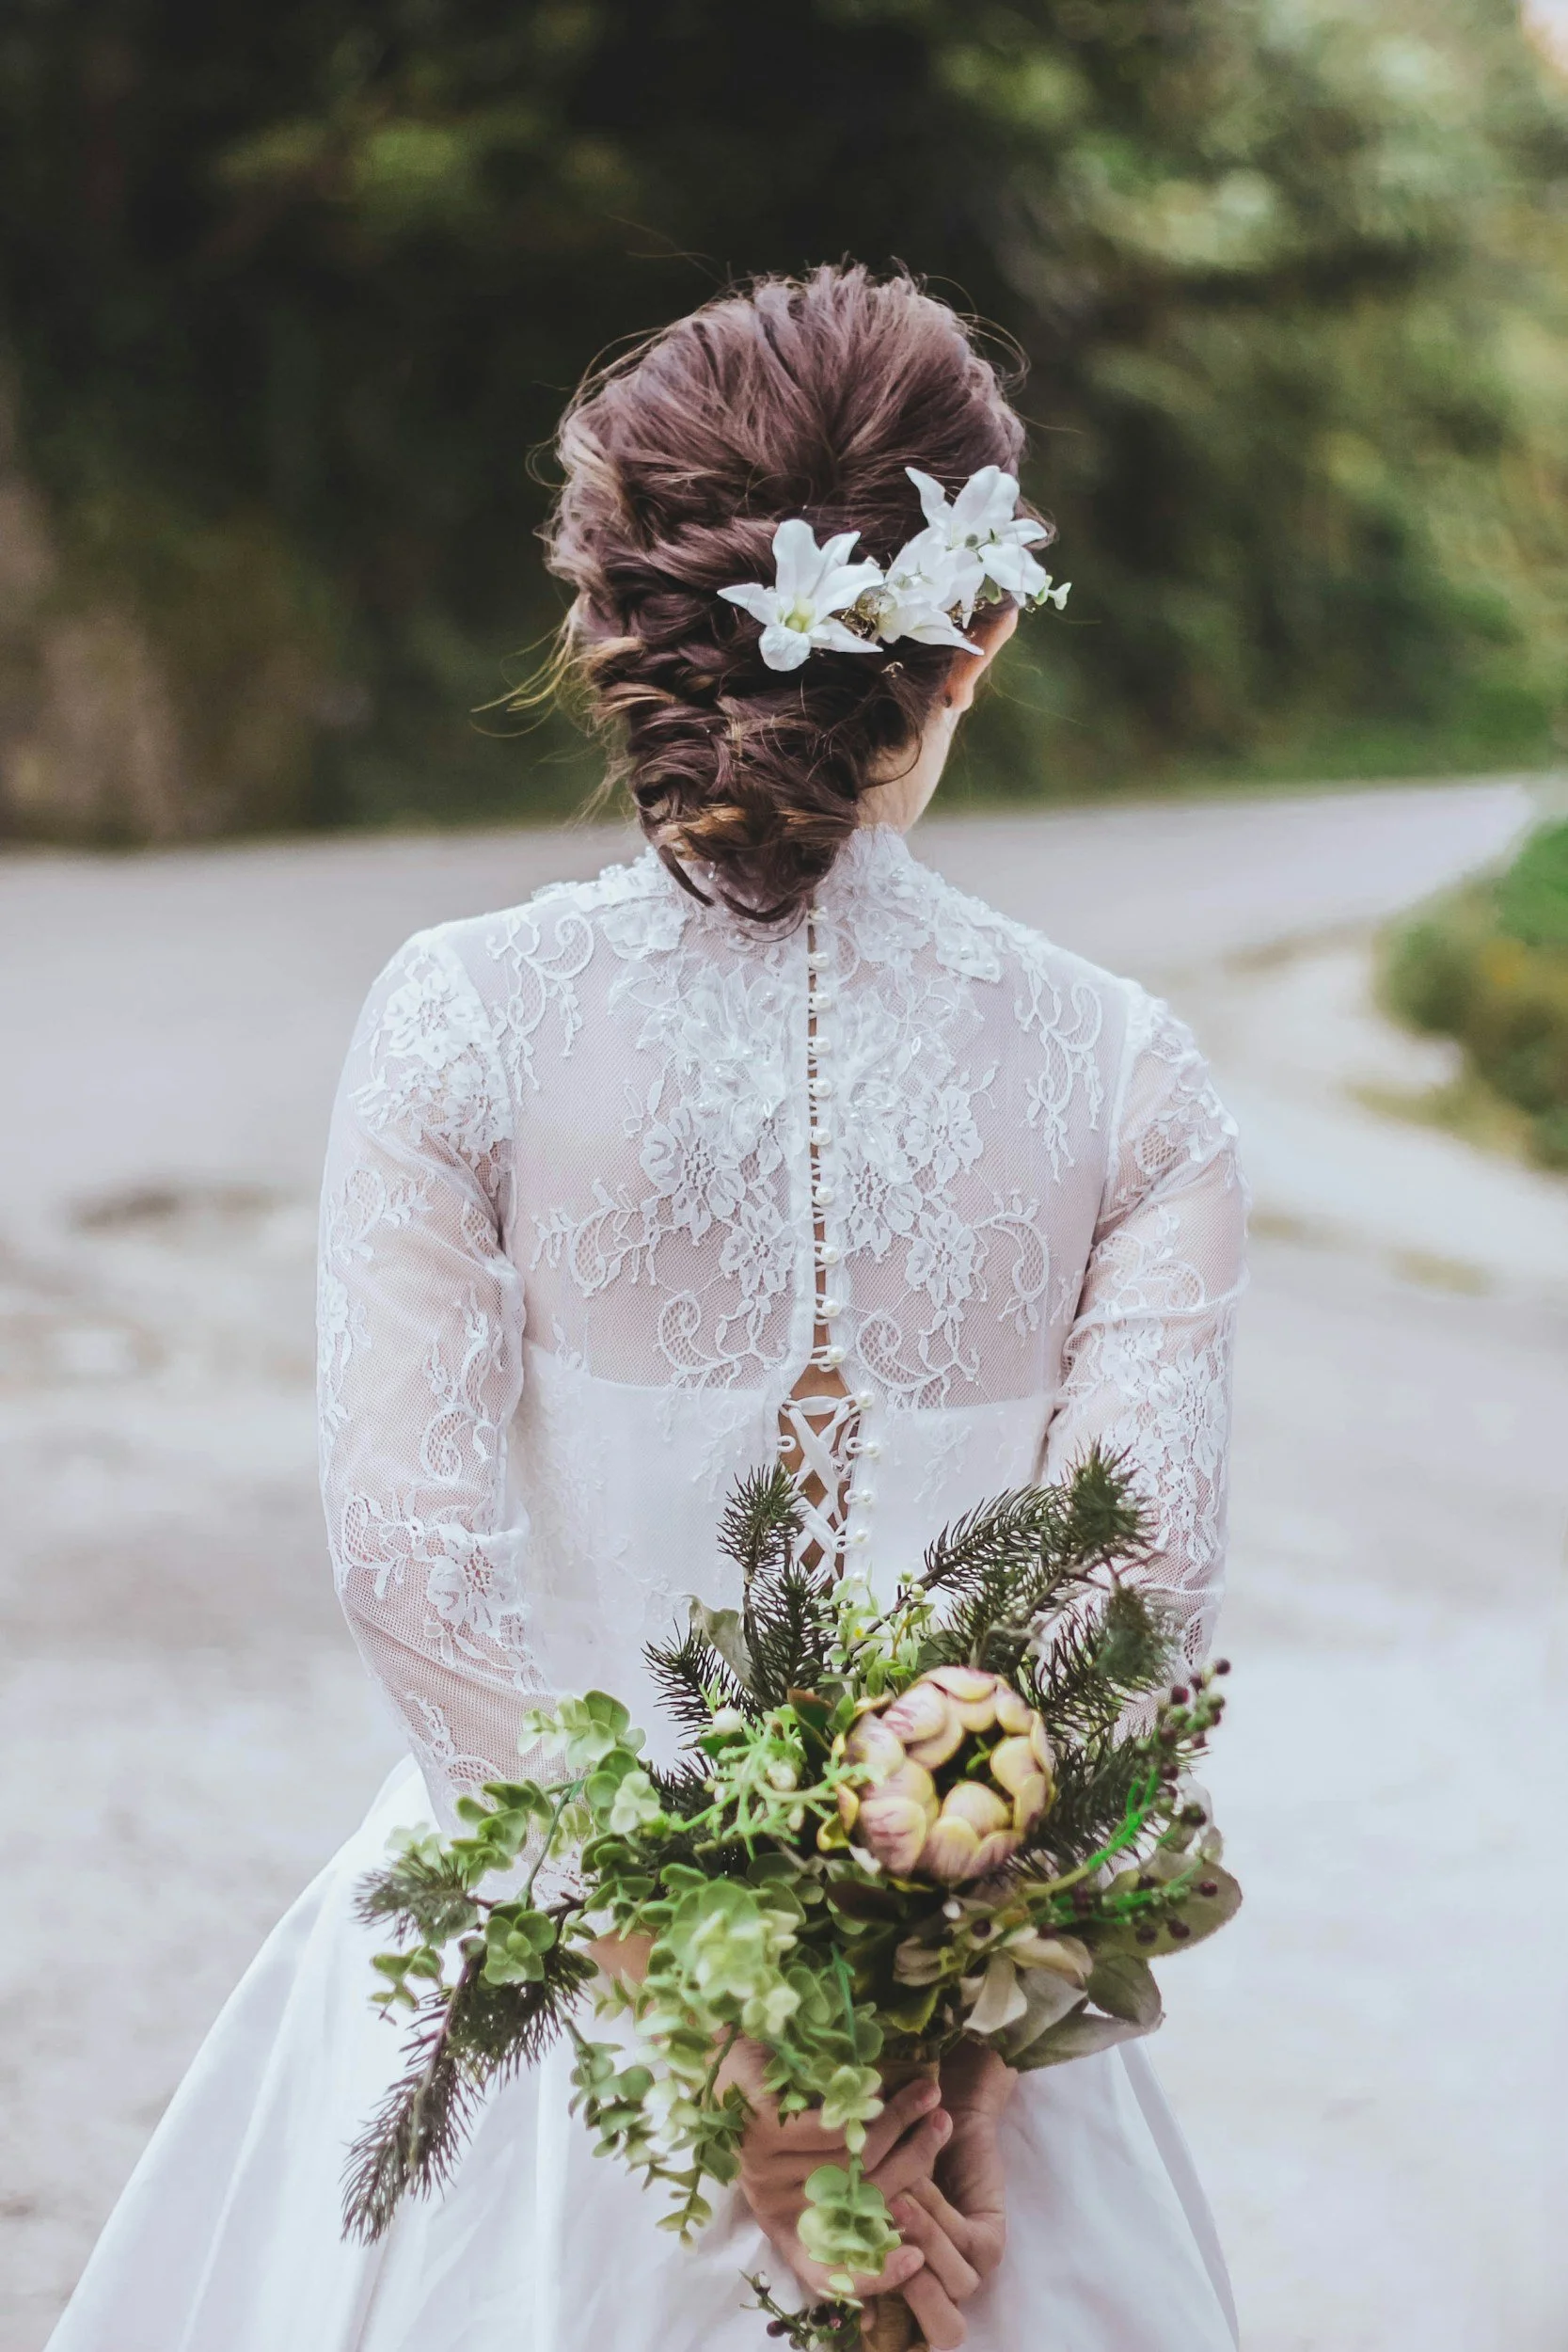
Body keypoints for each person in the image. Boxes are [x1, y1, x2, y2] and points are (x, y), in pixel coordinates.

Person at [47, 264, 1243, 2352]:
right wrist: (915, 2076)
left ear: (609, 618)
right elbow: (1122, 1610)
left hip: (538, 2024)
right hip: (959, 2108)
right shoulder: (1130, 1080)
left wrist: (730, 2063)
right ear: (981, 630)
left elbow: (415, 1573)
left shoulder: (461, 1026)